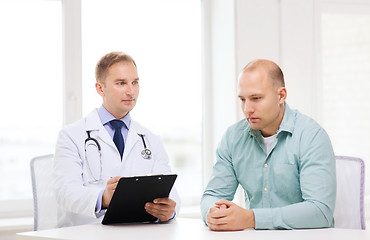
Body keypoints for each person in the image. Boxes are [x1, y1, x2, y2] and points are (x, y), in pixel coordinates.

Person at [200, 59, 336, 230]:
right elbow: (212, 195)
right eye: (242, 99)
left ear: (281, 95)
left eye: (256, 98)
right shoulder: (233, 138)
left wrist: (252, 219)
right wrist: (213, 214)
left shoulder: (312, 136)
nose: (247, 109)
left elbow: (320, 212)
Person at [54, 52, 179, 227]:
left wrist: (168, 211)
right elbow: (64, 192)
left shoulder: (150, 139)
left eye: (134, 82)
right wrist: (103, 198)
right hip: (86, 234)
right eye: (121, 83)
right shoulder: (71, 136)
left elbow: (172, 193)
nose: (130, 91)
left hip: (137, 233)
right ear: (100, 88)